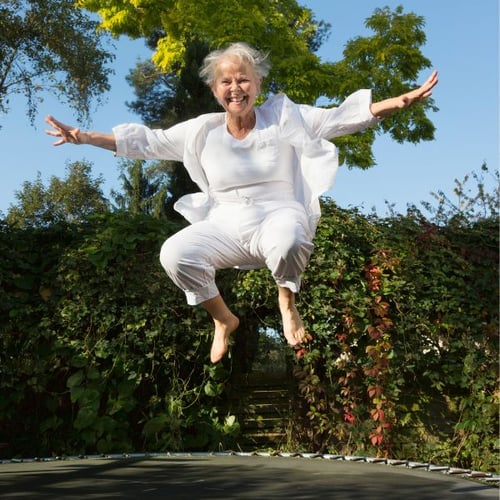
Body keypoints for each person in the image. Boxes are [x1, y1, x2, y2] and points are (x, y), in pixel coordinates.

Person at [45, 42, 438, 364]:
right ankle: (223, 320)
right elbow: (147, 142)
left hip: (278, 213)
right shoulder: (202, 131)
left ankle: (286, 300)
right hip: (226, 223)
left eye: (244, 79)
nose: (236, 88)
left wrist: (396, 102)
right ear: (216, 91)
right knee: (175, 253)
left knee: (289, 240)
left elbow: (341, 118)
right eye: (227, 82)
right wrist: (84, 136)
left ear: (257, 83)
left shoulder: (284, 116)